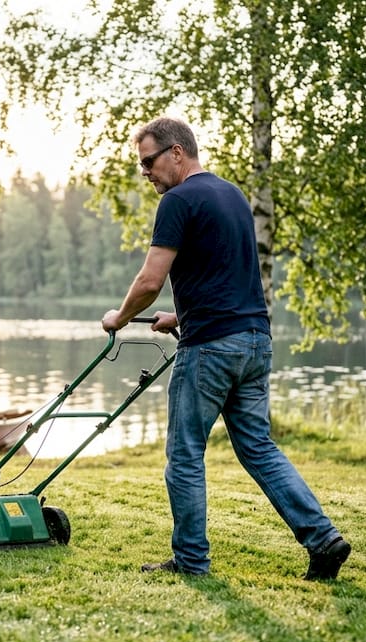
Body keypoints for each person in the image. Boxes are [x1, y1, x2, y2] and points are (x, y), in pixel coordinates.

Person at [101, 117, 350, 580]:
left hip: (210, 349)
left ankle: (191, 560)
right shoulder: (233, 195)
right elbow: (226, 275)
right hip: (254, 342)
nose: (146, 172)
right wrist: (180, 316)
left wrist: (118, 317)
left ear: (177, 152)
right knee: (258, 448)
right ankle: (323, 539)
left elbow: (151, 281)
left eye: (148, 162)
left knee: (184, 455)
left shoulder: (177, 201)